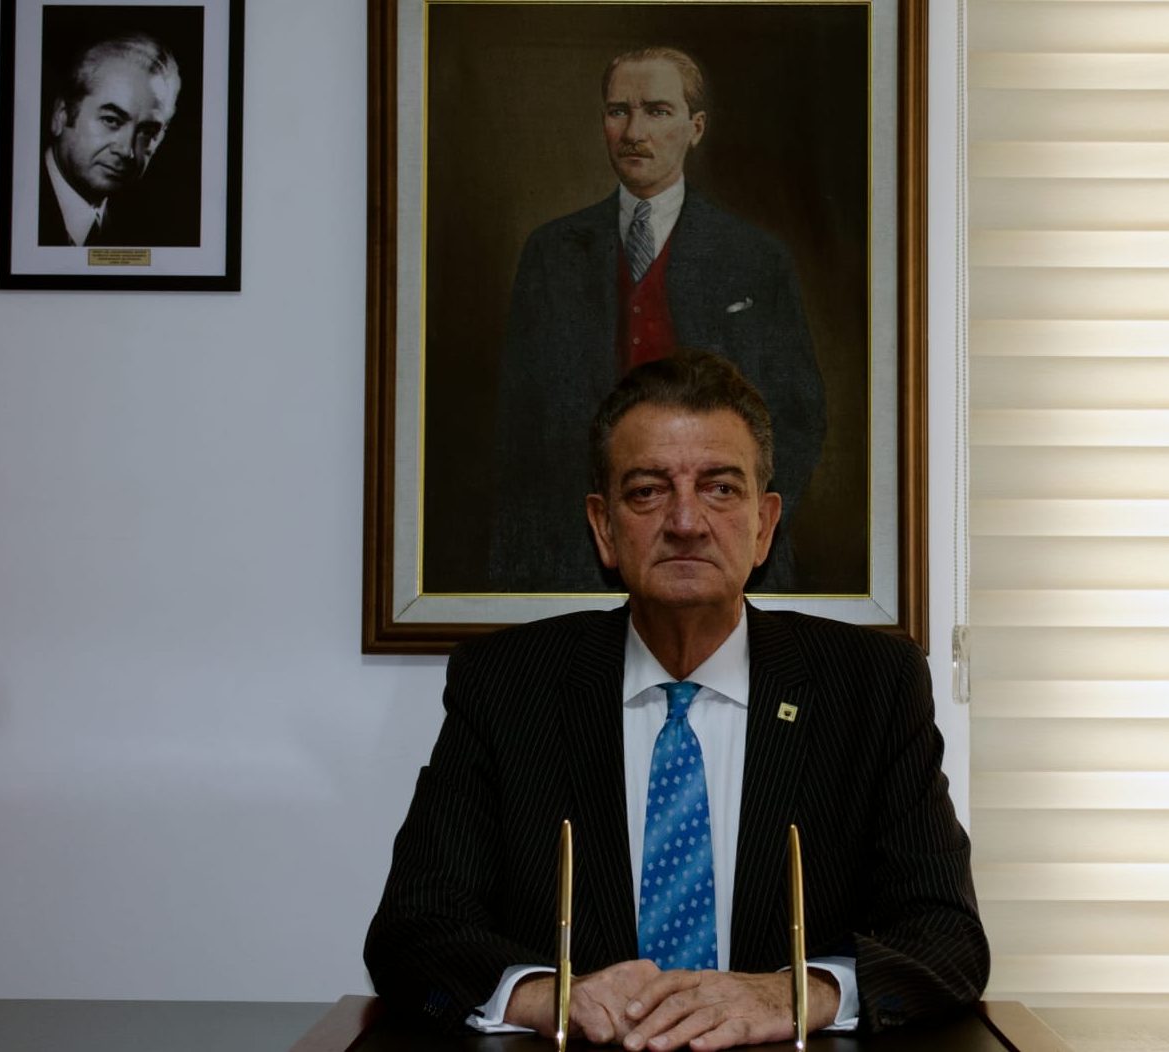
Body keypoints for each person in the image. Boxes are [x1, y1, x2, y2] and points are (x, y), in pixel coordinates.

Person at [367, 351, 987, 1048]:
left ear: (764, 525)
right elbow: (413, 931)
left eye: (721, 488)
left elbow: (947, 936)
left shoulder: (872, 687)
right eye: (647, 491)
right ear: (604, 527)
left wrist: (800, 993)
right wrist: (548, 996)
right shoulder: (507, 686)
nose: (687, 521)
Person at [487, 46, 826, 595]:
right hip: (575, 560)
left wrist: (732, 524)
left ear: (696, 128)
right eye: (618, 111)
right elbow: (520, 428)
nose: (633, 132)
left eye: (657, 111)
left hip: (719, 555)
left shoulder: (754, 257)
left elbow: (798, 416)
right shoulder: (551, 252)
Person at [40, 32, 181, 247]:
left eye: (147, 132)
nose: (127, 151)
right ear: (61, 115)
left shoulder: (151, 230)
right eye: (111, 120)